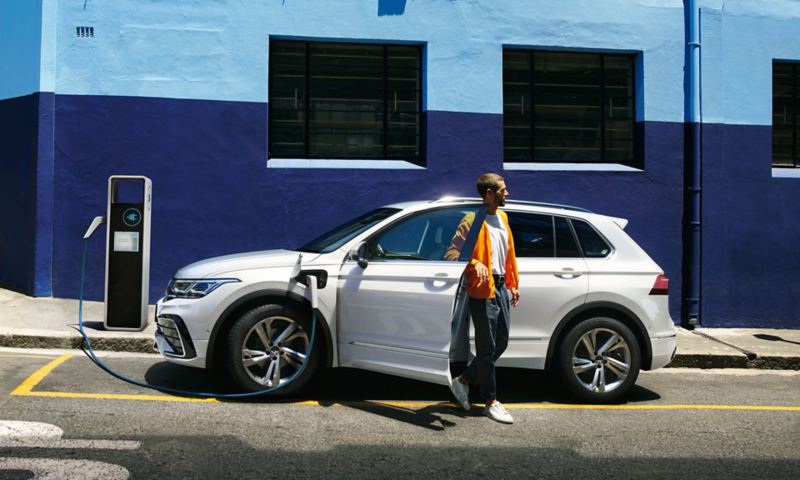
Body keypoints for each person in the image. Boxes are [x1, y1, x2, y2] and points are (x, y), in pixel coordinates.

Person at [447, 173, 520, 424]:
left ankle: (463, 380)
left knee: (501, 342)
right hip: (482, 289)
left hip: (500, 287)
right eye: (503, 190)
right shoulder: (472, 219)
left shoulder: (503, 217)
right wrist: (474, 262)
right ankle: (491, 401)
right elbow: (452, 252)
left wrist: (513, 283)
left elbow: (508, 254)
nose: (507, 194)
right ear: (489, 194)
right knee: (487, 348)